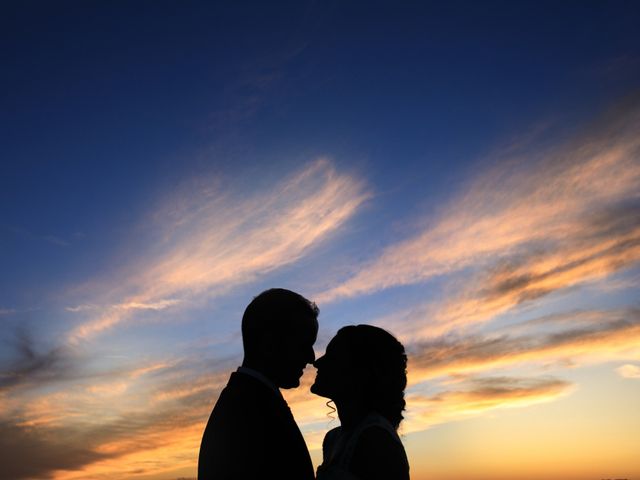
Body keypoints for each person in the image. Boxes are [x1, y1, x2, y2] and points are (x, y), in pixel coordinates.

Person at [198, 288, 319, 480]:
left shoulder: (248, 401)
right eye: (303, 344)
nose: (311, 358)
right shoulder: (249, 410)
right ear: (270, 343)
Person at [311, 324, 410, 480]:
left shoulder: (376, 441)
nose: (317, 363)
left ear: (359, 371)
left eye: (332, 356)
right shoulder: (333, 438)